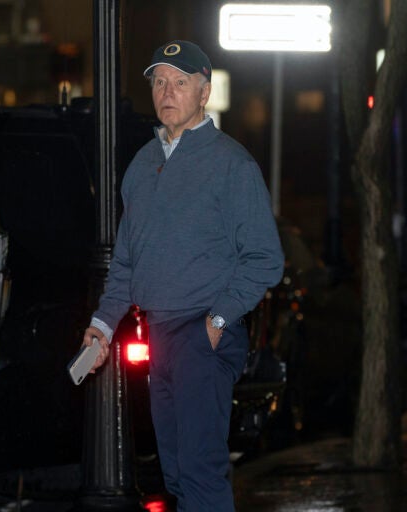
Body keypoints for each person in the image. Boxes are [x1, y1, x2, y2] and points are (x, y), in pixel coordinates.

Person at [81, 40, 284, 511]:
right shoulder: (141, 166)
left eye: (181, 82)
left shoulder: (232, 164)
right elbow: (128, 261)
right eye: (159, 82)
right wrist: (103, 326)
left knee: (200, 470)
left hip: (201, 333)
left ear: (204, 92)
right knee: (174, 472)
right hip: (158, 336)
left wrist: (216, 322)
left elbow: (265, 258)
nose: (167, 91)